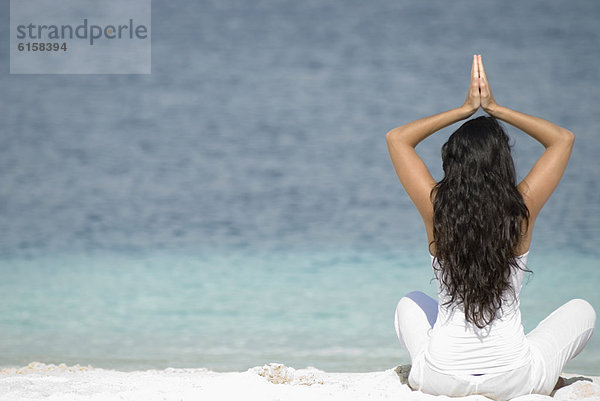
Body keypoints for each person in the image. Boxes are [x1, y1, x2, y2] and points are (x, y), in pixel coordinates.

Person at [385, 55, 595, 400]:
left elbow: (397, 139)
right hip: (515, 379)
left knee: (410, 302)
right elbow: (562, 139)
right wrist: (495, 108)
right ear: (503, 164)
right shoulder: (520, 210)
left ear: (452, 162)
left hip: (439, 377)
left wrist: (465, 109)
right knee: (582, 311)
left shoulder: (437, 209)